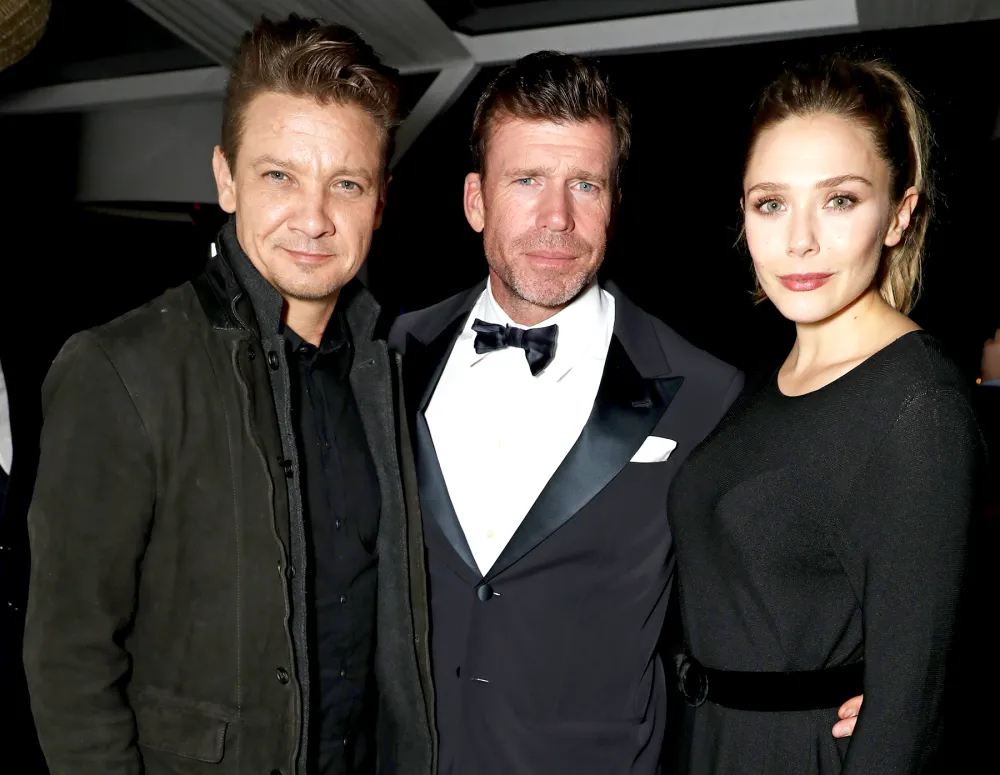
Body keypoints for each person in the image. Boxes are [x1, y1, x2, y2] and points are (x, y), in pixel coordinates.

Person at [388, 52, 861, 775]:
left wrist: (858, 673)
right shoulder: (391, 353)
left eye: (585, 183)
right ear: (475, 200)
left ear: (614, 201)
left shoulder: (706, 392)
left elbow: (777, 576)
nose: (558, 218)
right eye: (527, 181)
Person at [23, 16, 432, 775]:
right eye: (280, 175)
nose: (313, 217)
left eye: (346, 182)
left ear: (379, 202)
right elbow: (69, 662)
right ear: (225, 177)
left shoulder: (387, 373)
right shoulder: (121, 368)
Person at [668, 56, 984, 773]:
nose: (799, 240)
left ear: (899, 213)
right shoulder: (757, 383)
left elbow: (910, 710)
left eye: (839, 199)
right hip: (708, 745)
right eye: (770, 203)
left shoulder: (917, 405)